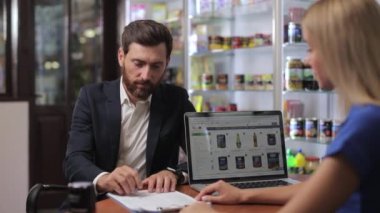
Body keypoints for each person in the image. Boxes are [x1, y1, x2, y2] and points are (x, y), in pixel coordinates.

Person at [181, 0, 380, 212]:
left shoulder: (365, 124)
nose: (306, 60)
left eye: (311, 49)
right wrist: (243, 194)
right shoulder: (369, 116)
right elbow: (316, 188)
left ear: (338, 50)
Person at [64, 19, 195, 196]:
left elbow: (204, 156)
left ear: (167, 62)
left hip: (155, 202)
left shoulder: (176, 100)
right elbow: (74, 160)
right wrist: (104, 178)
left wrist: (175, 174)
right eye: (138, 64)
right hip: (102, 200)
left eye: (156, 66)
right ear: (121, 57)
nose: (146, 75)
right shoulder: (91, 97)